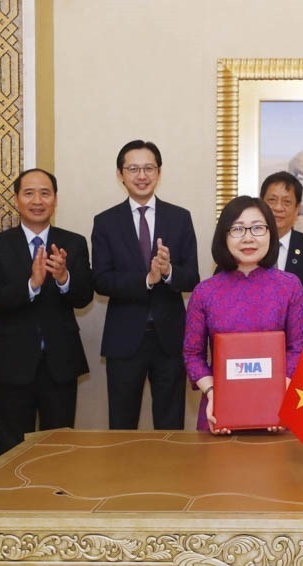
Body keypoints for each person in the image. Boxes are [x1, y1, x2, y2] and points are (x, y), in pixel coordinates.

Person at [0, 168, 93, 455]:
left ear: (55, 200)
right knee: (12, 450)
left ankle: (55, 500)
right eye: (29, 193)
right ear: (17, 200)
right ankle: (15, 502)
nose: (37, 200)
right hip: (12, 364)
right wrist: (32, 284)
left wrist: (64, 278)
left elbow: (84, 297)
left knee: (58, 449)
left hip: (61, 363)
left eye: (45, 193)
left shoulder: (75, 242)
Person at [92, 140, 200, 430]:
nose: (142, 175)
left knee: (170, 422)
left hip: (170, 338)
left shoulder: (180, 218)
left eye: (148, 168)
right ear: (121, 174)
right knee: (122, 423)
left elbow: (192, 277)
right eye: (133, 168)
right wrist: (147, 280)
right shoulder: (105, 222)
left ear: (159, 172)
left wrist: (167, 273)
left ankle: (170, 477)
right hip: (124, 339)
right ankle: (123, 477)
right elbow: (101, 280)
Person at [183, 195, 303, 433]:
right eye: (238, 229)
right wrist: (213, 393)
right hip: (219, 411)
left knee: (279, 469)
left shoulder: (289, 286)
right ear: (224, 236)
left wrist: (279, 395)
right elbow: (192, 355)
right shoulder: (204, 292)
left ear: (270, 233)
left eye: (258, 228)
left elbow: (297, 348)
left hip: (277, 409)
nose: (248, 237)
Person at [261, 171, 303, 364]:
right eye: (272, 200)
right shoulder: (245, 245)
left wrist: (285, 308)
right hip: (252, 346)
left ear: (298, 208)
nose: (278, 208)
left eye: (286, 202)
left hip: (299, 347)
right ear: (261, 204)